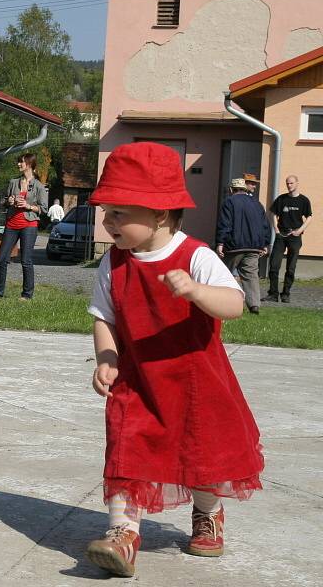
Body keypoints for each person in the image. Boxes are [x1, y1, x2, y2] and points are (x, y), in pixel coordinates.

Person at [85, 142, 263, 577]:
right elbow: (103, 316)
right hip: (139, 381)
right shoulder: (114, 262)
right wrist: (107, 357)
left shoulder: (195, 256)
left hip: (195, 384)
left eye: (119, 214)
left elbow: (234, 304)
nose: (108, 223)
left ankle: (208, 514)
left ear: (160, 213)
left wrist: (197, 292)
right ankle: (123, 534)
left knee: (202, 457)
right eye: (107, 211)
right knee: (126, 451)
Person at [0, 153, 47, 300]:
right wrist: (9, 201)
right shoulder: (13, 182)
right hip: (11, 224)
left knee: (26, 260)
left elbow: (44, 209)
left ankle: (27, 295)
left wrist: (28, 205)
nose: (18, 164)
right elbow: (3, 201)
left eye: (21, 162)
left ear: (29, 164)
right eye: (19, 162)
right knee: (2, 258)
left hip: (29, 225)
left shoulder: (39, 186)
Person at [215, 177, 270, 314]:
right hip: (254, 246)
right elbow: (265, 226)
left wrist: (220, 243)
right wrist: (265, 244)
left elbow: (225, 224)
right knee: (251, 275)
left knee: (224, 273)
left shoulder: (229, 202)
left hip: (234, 246)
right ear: (245, 189)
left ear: (231, 190)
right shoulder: (257, 203)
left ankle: (223, 302)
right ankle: (254, 305)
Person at [263, 175, 313, 303]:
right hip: (281, 236)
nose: (289, 185)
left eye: (291, 183)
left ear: (297, 183)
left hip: (295, 237)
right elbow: (273, 213)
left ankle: (286, 294)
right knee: (274, 265)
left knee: (291, 267)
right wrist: (276, 229)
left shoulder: (304, 200)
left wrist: (300, 230)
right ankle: (273, 294)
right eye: (287, 183)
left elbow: (309, 217)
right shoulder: (281, 199)